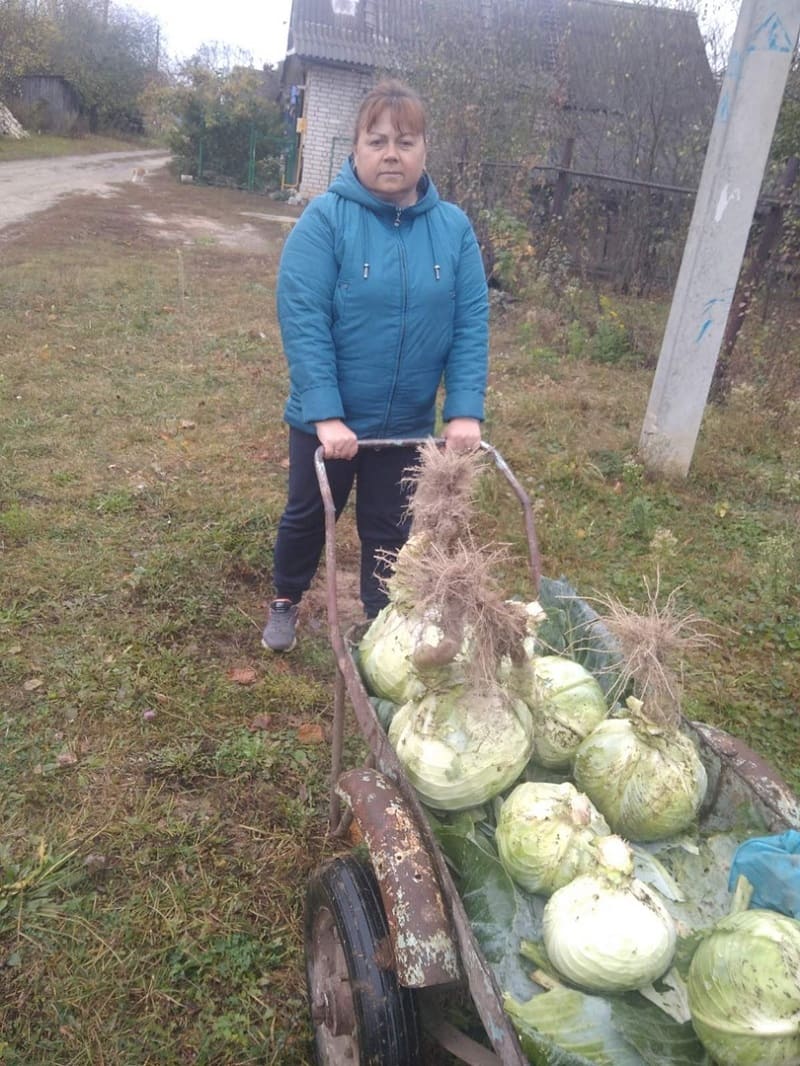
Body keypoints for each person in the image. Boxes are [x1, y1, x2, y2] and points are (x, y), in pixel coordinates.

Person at [262, 79, 489, 652]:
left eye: (405, 142)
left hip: (406, 424)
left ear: (424, 150)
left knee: (391, 529)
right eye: (378, 141)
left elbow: (470, 323)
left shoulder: (453, 230)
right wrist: (325, 414)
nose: (392, 154)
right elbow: (304, 318)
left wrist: (463, 410)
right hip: (328, 421)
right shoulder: (325, 219)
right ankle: (286, 598)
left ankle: (379, 622)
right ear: (356, 148)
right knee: (309, 515)